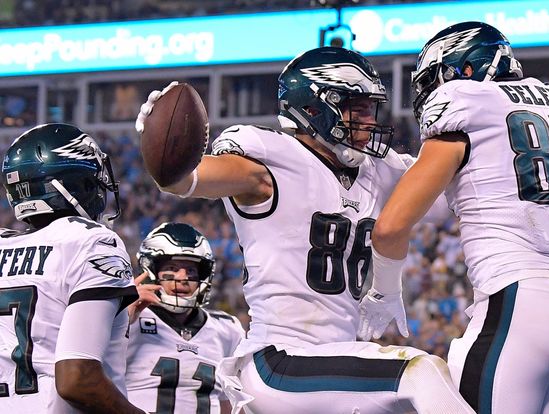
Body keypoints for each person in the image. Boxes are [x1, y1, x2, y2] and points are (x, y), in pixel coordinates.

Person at [136, 47, 473, 413]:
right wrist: (165, 150)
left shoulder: (381, 170)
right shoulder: (268, 160)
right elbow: (186, 179)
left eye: (369, 108)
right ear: (313, 108)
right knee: (420, 373)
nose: (368, 120)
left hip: (333, 364)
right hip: (279, 360)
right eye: (354, 107)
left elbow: (458, 194)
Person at [363, 21, 549, 413]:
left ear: (465, 70)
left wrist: (384, 290)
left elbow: (391, 226)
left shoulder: (465, 101)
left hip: (521, 306)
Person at [0, 123, 143, 413]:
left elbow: (38, 327)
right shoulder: (91, 241)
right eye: (92, 181)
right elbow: (77, 379)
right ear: (72, 185)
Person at [125, 222, 244, 414]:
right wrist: (121, 320)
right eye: (172, 267)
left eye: (191, 270)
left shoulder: (227, 330)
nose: (182, 278)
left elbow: (228, 403)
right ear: (151, 270)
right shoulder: (128, 319)